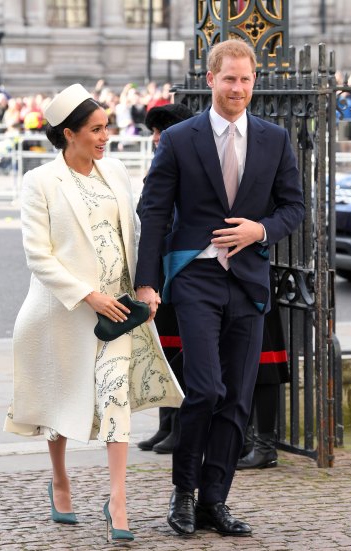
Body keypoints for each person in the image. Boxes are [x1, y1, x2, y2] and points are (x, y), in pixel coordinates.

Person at [135, 39, 305, 537]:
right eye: (228, 78)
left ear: (255, 82)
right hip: (196, 276)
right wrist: (147, 283)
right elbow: (154, 210)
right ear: (211, 80)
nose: (237, 88)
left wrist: (261, 230)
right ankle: (183, 494)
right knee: (205, 387)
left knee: (237, 396)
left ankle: (214, 500)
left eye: (245, 79)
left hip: (248, 279)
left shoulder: (275, 139)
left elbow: (292, 207)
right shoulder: (181, 139)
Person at [3, 83, 183, 542]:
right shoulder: (40, 182)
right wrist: (87, 295)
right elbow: (39, 257)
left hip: (117, 313)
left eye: (107, 127)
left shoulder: (117, 171)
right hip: (61, 313)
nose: (106, 137)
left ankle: (117, 499)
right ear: (69, 134)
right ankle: (60, 480)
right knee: (59, 404)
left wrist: (146, 286)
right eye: (96, 129)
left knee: (115, 397)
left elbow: (139, 233)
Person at [137, 103, 194, 454]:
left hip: (181, 263)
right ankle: (166, 424)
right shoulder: (163, 160)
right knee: (164, 349)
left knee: (183, 353)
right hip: (159, 265)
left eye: (161, 130)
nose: (156, 138)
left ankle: (180, 426)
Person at [237, 269, 290, 470]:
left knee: (265, 362)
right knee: (241, 365)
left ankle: (265, 448)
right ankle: (245, 440)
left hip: (255, 279)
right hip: (230, 279)